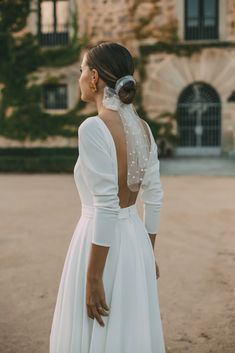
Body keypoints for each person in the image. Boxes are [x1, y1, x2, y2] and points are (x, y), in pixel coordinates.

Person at [49, 42, 166, 353]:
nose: (79, 77)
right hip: (135, 242)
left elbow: (105, 206)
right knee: (127, 330)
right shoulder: (144, 130)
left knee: (94, 325)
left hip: (100, 243)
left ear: (95, 77)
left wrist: (93, 277)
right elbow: (154, 197)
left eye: (81, 70)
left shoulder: (93, 128)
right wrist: (147, 251)